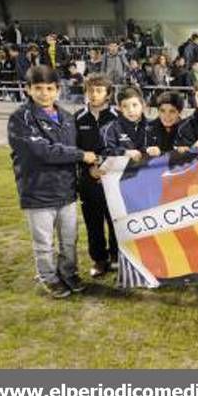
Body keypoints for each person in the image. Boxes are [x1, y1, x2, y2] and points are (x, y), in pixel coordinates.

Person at [7, 65, 97, 298]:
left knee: (69, 240)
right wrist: (81, 155)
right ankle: (48, 277)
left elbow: (75, 147)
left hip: (65, 190)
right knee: (44, 243)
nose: (44, 93)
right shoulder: (20, 118)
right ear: (27, 89)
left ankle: (69, 273)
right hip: (38, 192)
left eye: (49, 88)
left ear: (58, 89)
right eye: (38, 88)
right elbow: (42, 151)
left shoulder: (67, 117)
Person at [75, 73, 119, 277]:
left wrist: (108, 167)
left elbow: (124, 146)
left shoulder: (118, 116)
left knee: (116, 221)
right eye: (90, 90)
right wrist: (88, 170)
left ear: (108, 94)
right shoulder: (77, 118)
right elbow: (73, 150)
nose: (94, 94)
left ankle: (117, 257)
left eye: (99, 90)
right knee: (93, 223)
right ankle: (99, 260)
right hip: (88, 181)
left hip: (114, 180)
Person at [100, 86, 149, 161]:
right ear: (119, 108)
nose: (131, 110)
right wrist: (124, 153)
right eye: (125, 106)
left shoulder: (152, 126)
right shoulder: (110, 129)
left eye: (134, 105)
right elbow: (103, 152)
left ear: (142, 105)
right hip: (121, 171)